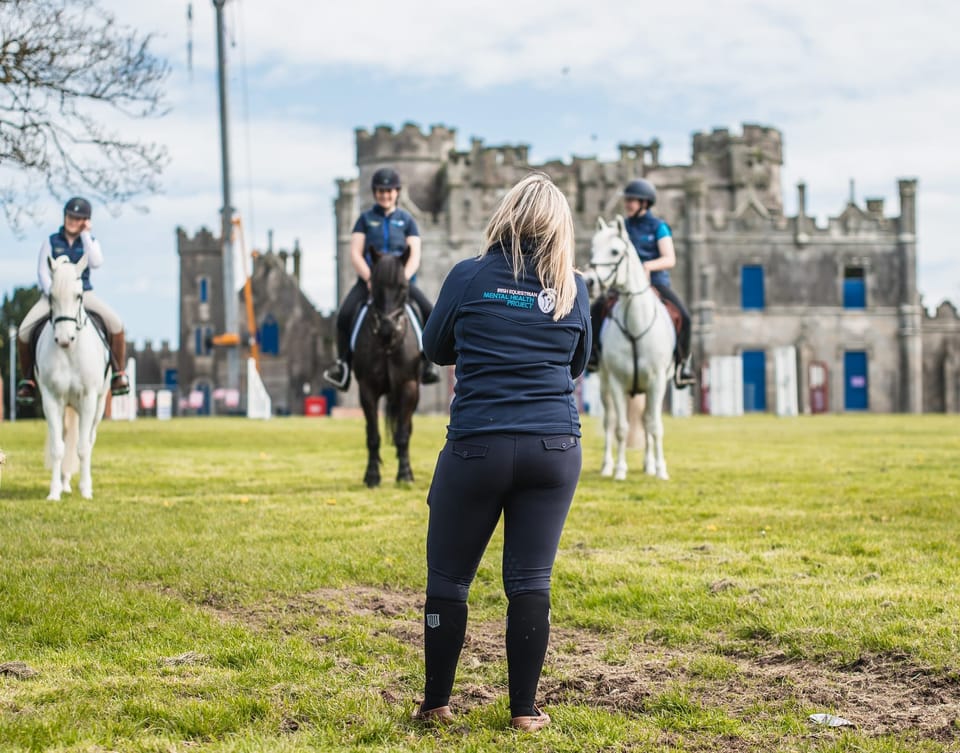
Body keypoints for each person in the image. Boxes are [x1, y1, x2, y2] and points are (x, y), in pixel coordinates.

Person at [413, 173, 591, 732]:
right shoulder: (573, 286)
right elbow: (578, 362)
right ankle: (524, 712)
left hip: (478, 446)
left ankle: (436, 704)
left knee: (449, 580)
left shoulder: (468, 275)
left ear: (505, 217)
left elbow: (434, 348)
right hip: (552, 447)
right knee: (531, 581)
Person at [323, 167, 440, 390]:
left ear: (396, 192)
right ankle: (343, 366)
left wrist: (402, 279)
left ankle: (427, 363)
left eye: (389, 191)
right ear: (375, 192)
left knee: (428, 311)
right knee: (344, 315)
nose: (385, 195)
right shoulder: (365, 220)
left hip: (401, 283)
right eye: (380, 191)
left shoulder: (407, 221)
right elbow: (356, 253)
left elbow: (414, 254)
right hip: (370, 282)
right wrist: (370, 278)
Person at [15, 197, 130, 405]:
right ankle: (28, 381)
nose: (72, 221)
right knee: (23, 331)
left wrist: (85, 235)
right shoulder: (51, 241)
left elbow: (96, 262)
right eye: (70, 216)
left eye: (78, 218)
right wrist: (55, 293)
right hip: (53, 297)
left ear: (85, 221)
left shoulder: (89, 242)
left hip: (83, 294)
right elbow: (42, 272)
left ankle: (118, 374)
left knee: (116, 324)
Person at [588, 178, 696, 386]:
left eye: (632, 200)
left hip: (655, 282)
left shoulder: (659, 227)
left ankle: (683, 366)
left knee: (685, 317)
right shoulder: (621, 228)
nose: (627, 204)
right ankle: (593, 357)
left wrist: (647, 267)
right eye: (627, 200)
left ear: (644, 203)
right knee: (595, 310)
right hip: (624, 285)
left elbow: (669, 259)